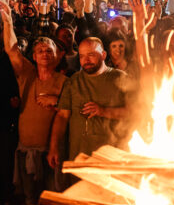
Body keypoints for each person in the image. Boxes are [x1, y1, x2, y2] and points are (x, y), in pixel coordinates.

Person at [0, 0, 67, 205]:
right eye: (39, 51)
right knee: (30, 197)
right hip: (26, 147)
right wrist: (8, 20)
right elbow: (11, 49)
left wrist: (57, 101)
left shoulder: (65, 81)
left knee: (52, 195)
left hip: (51, 150)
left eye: (49, 50)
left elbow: (69, 110)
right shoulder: (27, 74)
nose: (44, 53)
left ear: (56, 56)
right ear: (34, 56)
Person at [48, 37, 130, 170]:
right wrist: (53, 147)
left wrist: (103, 111)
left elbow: (134, 113)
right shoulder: (73, 81)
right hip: (79, 156)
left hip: (110, 158)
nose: (86, 60)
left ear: (103, 55)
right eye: (81, 56)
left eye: (91, 55)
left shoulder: (120, 78)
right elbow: (62, 116)